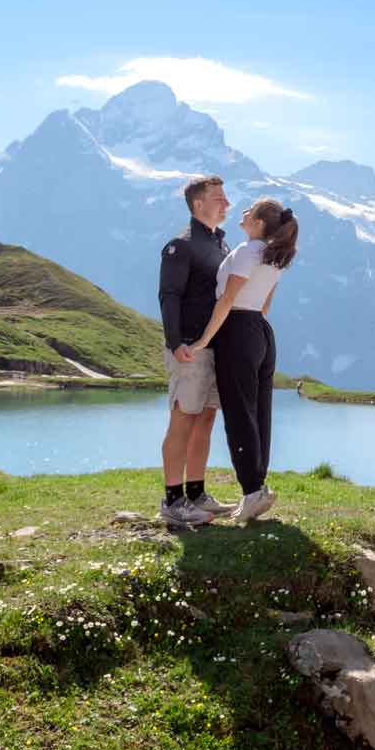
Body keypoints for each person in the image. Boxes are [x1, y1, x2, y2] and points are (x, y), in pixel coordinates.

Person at [184, 197, 298, 523]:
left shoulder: (248, 251)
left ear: (259, 223)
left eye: (249, 210)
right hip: (261, 332)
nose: (243, 212)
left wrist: (205, 340)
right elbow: (264, 306)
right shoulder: (274, 256)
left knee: (238, 412)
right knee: (259, 411)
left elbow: (228, 299)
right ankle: (257, 486)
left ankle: (252, 491)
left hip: (238, 330)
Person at [155, 175, 237, 526]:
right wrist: (176, 344)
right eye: (218, 198)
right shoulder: (181, 245)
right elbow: (169, 295)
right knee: (183, 418)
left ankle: (196, 494)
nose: (226, 203)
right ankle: (173, 501)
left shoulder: (220, 245)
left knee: (205, 419)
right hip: (190, 346)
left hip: (216, 346)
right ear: (198, 204)